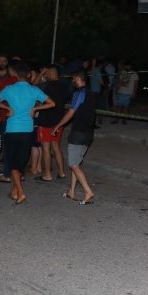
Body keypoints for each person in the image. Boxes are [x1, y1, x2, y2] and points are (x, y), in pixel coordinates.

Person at [0, 62, 55, 205]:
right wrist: (34, 109)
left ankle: (20, 193)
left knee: (13, 164)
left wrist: (7, 109)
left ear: (16, 74)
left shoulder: (9, 89)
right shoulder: (34, 90)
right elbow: (52, 103)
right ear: (29, 75)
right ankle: (14, 192)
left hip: (12, 130)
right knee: (20, 164)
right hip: (27, 130)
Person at [52, 71, 96, 205]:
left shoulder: (79, 93)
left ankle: (88, 191)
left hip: (78, 133)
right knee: (76, 162)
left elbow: (71, 112)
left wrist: (58, 125)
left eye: (73, 79)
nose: (72, 81)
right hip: (88, 133)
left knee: (73, 164)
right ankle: (71, 191)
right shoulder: (91, 94)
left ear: (78, 78)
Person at [35, 65, 70, 182]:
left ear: (50, 73)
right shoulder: (65, 86)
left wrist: (41, 74)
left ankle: (47, 175)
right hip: (58, 121)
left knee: (46, 148)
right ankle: (61, 172)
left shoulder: (46, 86)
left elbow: (33, 87)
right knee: (56, 146)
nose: (45, 75)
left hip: (45, 120)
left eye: (46, 73)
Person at [112, 60, 138, 124]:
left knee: (125, 107)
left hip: (127, 92)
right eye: (127, 65)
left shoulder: (134, 74)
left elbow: (136, 84)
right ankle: (118, 119)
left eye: (128, 65)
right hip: (122, 91)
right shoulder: (123, 72)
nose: (128, 66)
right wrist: (117, 89)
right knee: (120, 107)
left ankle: (123, 120)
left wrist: (134, 92)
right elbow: (119, 82)